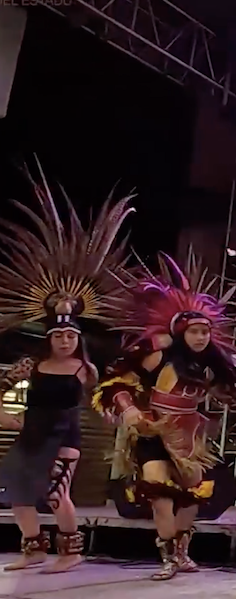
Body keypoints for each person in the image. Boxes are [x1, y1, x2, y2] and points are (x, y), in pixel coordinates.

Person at [94, 253, 236, 581]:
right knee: (159, 492)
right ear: (181, 333)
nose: (201, 337)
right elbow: (117, 383)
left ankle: (182, 552)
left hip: (188, 437)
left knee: (191, 496)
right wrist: (130, 409)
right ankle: (168, 558)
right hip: (153, 430)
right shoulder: (158, 357)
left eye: (205, 332)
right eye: (195, 332)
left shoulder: (210, 366)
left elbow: (226, 394)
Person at [0, 175, 132, 572]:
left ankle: (71, 551)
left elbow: (106, 395)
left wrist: (120, 414)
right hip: (31, 433)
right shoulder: (32, 364)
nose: (64, 341)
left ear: (78, 339)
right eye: (57, 336)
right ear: (50, 338)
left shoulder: (85, 368)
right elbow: (2, 386)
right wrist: (6, 415)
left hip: (64, 436)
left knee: (57, 494)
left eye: (70, 336)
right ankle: (33, 549)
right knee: (18, 493)